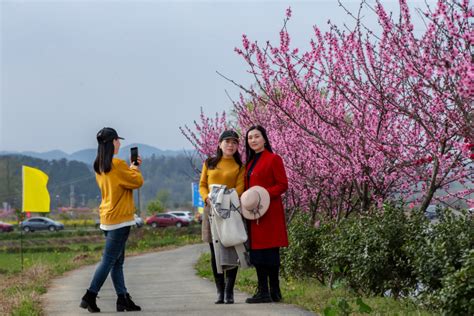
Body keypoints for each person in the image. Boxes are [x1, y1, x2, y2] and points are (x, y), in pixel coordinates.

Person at [80, 127, 144, 313]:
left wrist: (130, 169)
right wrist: (135, 168)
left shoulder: (99, 166)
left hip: (106, 217)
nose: (120, 143)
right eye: (117, 140)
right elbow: (136, 182)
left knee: (117, 261)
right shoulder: (117, 165)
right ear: (112, 143)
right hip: (120, 219)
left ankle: (123, 299)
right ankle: (90, 296)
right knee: (109, 260)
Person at [199, 130, 245, 304]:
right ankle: (219, 291)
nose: (230, 145)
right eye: (227, 142)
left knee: (231, 248)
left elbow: (239, 189)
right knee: (214, 252)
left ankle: (229, 291)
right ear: (219, 144)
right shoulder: (209, 163)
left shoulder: (239, 166)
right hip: (210, 211)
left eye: (234, 142)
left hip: (230, 211)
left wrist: (223, 199)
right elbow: (203, 184)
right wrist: (207, 198)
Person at [243, 125, 289, 303]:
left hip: (269, 213)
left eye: (256, 136)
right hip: (254, 215)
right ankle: (264, 291)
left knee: (270, 253)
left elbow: (282, 184)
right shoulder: (249, 163)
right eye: (250, 138)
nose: (253, 140)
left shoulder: (273, 159)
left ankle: (274, 290)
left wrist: (263, 195)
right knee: (257, 254)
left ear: (264, 139)